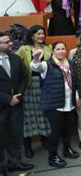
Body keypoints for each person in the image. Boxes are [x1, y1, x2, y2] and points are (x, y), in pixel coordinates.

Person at [30, 41, 80, 168]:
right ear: (53, 51)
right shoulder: (47, 64)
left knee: (67, 128)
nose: (61, 51)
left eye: (63, 49)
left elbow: (74, 81)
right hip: (54, 104)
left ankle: (66, 149)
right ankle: (52, 157)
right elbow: (36, 67)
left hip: (69, 102)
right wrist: (36, 59)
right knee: (56, 131)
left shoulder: (70, 63)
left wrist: (76, 95)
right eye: (58, 49)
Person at [15, 26, 51, 159]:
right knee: (28, 116)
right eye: (38, 34)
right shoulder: (24, 49)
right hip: (29, 86)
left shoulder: (49, 48)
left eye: (43, 33)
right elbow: (15, 64)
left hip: (44, 85)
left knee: (44, 112)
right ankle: (28, 146)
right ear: (32, 36)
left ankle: (44, 138)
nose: (41, 36)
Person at [0, 32, 34, 175]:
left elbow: (24, 77)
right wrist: (8, 99)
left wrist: (17, 96)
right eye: (6, 42)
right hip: (1, 106)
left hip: (17, 104)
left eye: (10, 41)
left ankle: (15, 163)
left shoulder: (15, 58)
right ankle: (1, 168)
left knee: (15, 135)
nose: (10, 44)